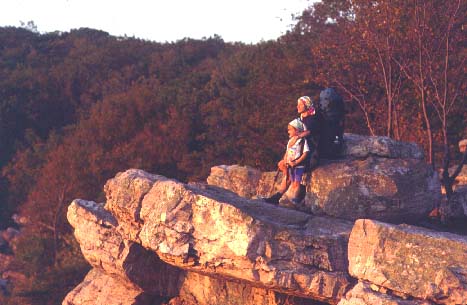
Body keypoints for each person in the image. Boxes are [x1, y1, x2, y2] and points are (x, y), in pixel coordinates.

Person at [266, 96, 322, 204]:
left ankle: (296, 194)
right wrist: (285, 158)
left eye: (300, 104)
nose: (297, 106)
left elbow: (305, 134)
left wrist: (295, 137)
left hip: (309, 156)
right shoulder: (302, 118)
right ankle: (278, 196)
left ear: (307, 105)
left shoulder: (312, 120)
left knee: (289, 167)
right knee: (284, 165)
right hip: (298, 153)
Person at [266, 118, 310, 205]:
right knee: (290, 179)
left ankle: (295, 199)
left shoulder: (302, 141)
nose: (288, 131)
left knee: (296, 182)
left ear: (297, 131)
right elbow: (287, 151)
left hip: (298, 165)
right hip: (290, 165)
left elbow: (305, 153)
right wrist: (285, 160)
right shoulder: (290, 141)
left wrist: (296, 162)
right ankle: (285, 197)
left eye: (290, 130)